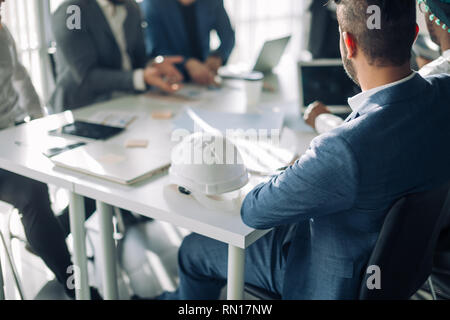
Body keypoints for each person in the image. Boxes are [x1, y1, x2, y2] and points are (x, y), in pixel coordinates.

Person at [157, 0, 450, 300]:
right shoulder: (444, 93)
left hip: (328, 282)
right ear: (414, 35)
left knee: (194, 249)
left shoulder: (342, 151)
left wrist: (301, 168)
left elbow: (255, 210)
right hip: (396, 275)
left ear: (348, 43)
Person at [0, 0, 101, 299]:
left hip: (14, 132)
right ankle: (76, 286)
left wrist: (41, 123)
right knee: (33, 193)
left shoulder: (3, 32)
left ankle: (49, 232)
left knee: (90, 170)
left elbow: (20, 75)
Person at [304, 0, 450, 134]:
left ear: (349, 43)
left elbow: (371, 137)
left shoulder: (427, 81)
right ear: (414, 34)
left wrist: (323, 122)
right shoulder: (440, 85)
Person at [50, 0, 184, 112]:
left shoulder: (131, 7)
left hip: (128, 103)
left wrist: (154, 66)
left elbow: (138, 60)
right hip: (82, 108)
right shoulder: (72, 12)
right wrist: (141, 77)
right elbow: (86, 76)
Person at [140, 0, 235, 86]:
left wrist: (218, 56)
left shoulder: (212, 2)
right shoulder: (153, 3)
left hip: (204, 76)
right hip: (170, 77)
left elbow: (228, 36)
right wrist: (186, 62)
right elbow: (155, 47)